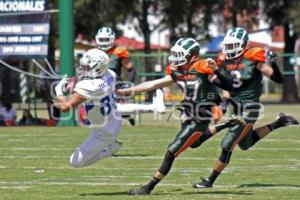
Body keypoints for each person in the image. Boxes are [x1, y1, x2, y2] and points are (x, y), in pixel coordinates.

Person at [117, 37, 240, 195]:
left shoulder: (202, 67)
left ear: (192, 56)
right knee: (194, 144)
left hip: (200, 118)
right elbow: (153, 84)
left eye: (179, 54)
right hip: (186, 113)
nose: (175, 58)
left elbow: (228, 86)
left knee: (172, 151)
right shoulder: (178, 71)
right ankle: (226, 124)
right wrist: (127, 91)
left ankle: (147, 188)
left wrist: (216, 70)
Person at [192, 27, 299, 189]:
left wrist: (274, 64)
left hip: (250, 107)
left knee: (227, 144)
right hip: (236, 106)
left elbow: (278, 79)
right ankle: (279, 122)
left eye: (233, 45)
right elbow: (227, 85)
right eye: (227, 45)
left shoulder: (253, 57)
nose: (228, 49)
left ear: (243, 45)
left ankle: (209, 181)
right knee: (245, 144)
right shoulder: (223, 59)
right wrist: (224, 103)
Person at [55, 48, 122, 168]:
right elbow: (86, 88)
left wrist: (58, 92)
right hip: (114, 120)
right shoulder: (110, 74)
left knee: (75, 162)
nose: (82, 69)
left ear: (98, 68)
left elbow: (65, 107)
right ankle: (111, 144)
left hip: (104, 133)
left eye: (86, 67)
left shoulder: (90, 87)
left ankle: (109, 150)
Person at [95, 26, 164, 124]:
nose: (104, 42)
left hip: (113, 84)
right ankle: (147, 108)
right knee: (104, 112)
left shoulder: (119, 52)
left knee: (111, 110)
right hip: (98, 85)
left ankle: (152, 107)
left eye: (106, 39)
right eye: (102, 39)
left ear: (112, 39)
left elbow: (132, 70)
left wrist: (128, 84)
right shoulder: (94, 53)